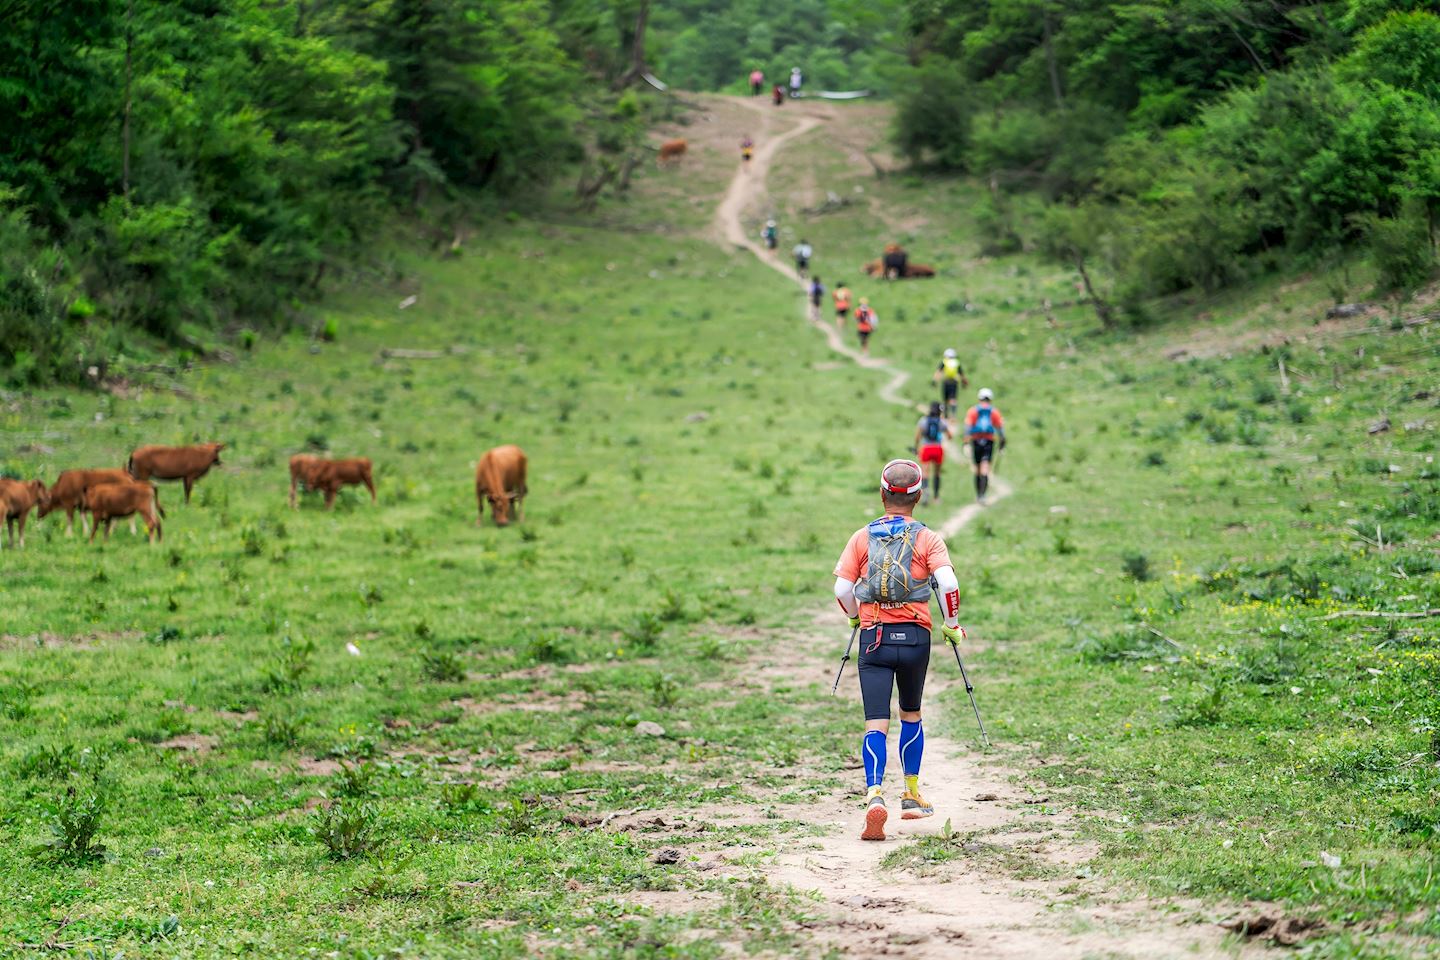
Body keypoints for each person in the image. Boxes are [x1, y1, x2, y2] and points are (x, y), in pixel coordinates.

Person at [833, 458, 966, 840]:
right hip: (915, 639)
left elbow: (842, 590)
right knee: (911, 713)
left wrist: (855, 618)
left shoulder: (861, 537)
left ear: (881, 494)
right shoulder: (928, 538)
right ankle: (910, 794)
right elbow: (949, 584)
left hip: (873, 637)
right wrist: (952, 626)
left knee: (876, 721)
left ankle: (875, 794)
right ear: (919, 496)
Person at [963, 388, 1006, 504]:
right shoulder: (994, 412)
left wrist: (966, 441)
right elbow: (1000, 428)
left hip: (976, 441)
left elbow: (968, 426)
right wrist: (1002, 441)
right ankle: (983, 495)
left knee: (977, 469)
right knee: (985, 469)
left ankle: (978, 494)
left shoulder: (973, 411)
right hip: (988, 441)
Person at [914, 402, 954, 504]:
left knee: (925, 472)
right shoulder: (942, 422)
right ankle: (936, 497)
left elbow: (918, 436)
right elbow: (949, 436)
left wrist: (916, 447)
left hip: (926, 448)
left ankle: (925, 492)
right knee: (937, 473)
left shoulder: (923, 420)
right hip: (938, 448)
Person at [932, 348, 969, 419]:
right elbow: (961, 374)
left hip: (946, 382)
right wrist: (964, 382)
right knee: (953, 400)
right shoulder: (956, 363)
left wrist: (934, 381)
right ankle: (953, 415)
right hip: (954, 382)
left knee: (945, 400)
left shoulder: (944, 362)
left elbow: (938, 372)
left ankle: (945, 415)